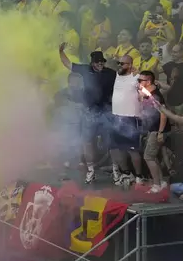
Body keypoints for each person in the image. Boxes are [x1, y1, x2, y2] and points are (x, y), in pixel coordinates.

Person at [59, 46, 116, 184]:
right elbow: (68, 64)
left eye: (102, 62)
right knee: (88, 141)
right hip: (90, 112)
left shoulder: (111, 73)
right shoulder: (85, 70)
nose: (100, 64)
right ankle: (91, 170)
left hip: (106, 111)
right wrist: (61, 52)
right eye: (97, 62)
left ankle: (116, 171)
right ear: (92, 62)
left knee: (111, 142)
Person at [110, 54, 141, 185]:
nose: (119, 66)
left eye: (122, 63)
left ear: (130, 65)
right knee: (119, 148)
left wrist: (138, 72)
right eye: (119, 63)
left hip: (130, 118)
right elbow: (109, 64)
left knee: (132, 150)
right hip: (116, 117)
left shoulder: (136, 77)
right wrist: (114, 59)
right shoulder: (116, 76)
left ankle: (139, 176)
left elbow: (149, 81)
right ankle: (126, 173)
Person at [138, 70, 170, 193]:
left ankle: (156, 185)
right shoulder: (146, 94)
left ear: (149, 81)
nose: (139, 82)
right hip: (152, 129)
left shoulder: (156, 96)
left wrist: (160, 132)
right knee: (153, 157)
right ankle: (161, 182)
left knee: (149, 157)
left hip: (157, 130)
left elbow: (163, 114)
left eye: (141, 80)